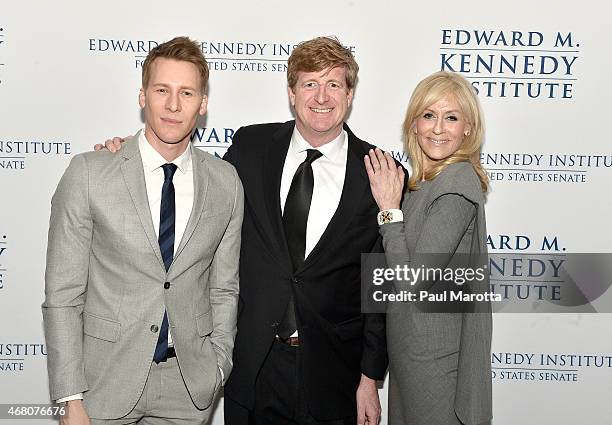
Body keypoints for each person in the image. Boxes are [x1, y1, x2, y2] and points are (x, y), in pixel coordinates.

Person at [98, 36, 388, 425]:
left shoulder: (379, 173)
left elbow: (380, 291)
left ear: (349, 95)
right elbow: (191, 183)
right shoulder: (251, 146)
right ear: (291, 92)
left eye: (334, 84)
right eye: (309, 84)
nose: (322, 96)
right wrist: (127, 157)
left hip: (335, 374)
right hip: (253, 368)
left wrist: (369, 378)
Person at [43, 36, 243, 425]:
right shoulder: (89, 174)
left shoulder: (226, 183)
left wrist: (218, 364)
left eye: (186, 93)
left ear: (202, 104)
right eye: (162, 90)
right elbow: (63, 295)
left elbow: (224, 287)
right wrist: (70, 397)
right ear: (142, 96)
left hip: (190, 389)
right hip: (103, 383)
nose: (173, 105)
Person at [364, 71, 493, 425]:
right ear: (414, 124)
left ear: (468, 128)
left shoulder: (454, 186)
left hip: (437, 370)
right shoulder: (424, 186)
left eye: (451, 117)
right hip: (412, 361)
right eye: (429, 115)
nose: (438, 128)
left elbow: (411, 281)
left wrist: (389, 210)